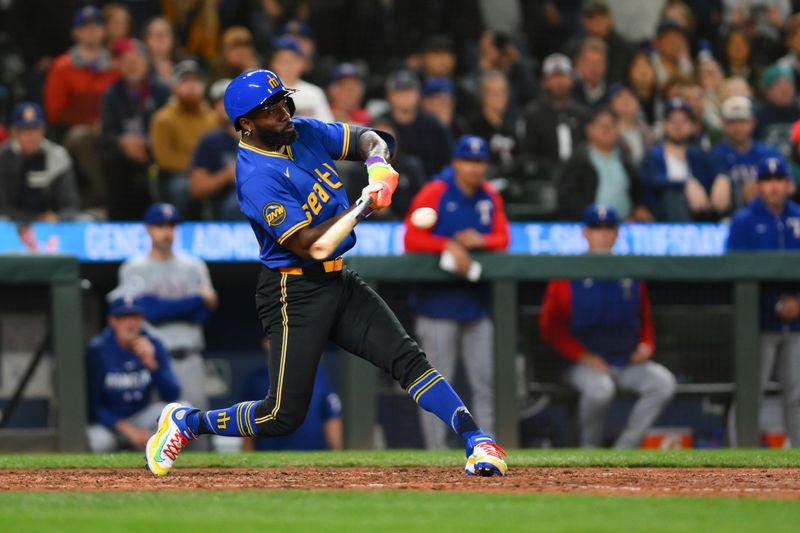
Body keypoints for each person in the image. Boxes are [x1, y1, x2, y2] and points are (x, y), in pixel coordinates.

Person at [144, 69, 507, 478]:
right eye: (270, 109)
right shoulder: (255, 176)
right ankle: (188, 423)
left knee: (407, 358)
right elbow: (311, 246)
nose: (283, 112)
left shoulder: (303, 131)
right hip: (292, 290)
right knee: (281, 416)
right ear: (246, 123)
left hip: (337, 279)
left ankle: (477, 440)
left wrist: (376, 165)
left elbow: (374, 137)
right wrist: (363, 206)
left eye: (284, 101)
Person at [404, 135, 510, 450]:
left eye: (480, 162)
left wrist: (481, 241)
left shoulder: (488, 195)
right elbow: (410, 238)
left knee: (485, 384)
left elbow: (503, 237)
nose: (474, 168)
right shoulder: (436, 190)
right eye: (468, 161)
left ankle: (486, 449)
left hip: (475, 304)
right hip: (437, 305)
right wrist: (447, 244)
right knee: (437, 384)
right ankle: (436, 453)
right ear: (456, 162)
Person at [540, 204, 677, 448]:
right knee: (601, 390)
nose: (602, 234)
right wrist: (582, 356)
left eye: (608, 228)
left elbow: (645, 319)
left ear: (616, 233)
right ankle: (589, 451)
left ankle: (625, 448)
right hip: (582, 363)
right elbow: (551, 328)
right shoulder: (567, 272)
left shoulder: (629, 271)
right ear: (585, 233)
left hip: (625, 361)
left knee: (663, 383)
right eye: (596, 228)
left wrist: (646, 344)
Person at [115, 203, 218, 424]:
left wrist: (162, 307)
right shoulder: (133, 268)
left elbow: (203, 314)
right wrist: (194, 301)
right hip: (153, 362)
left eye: (171, 226)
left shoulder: (194, 266)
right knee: (157, 430)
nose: (167, 232)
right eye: (160, 226)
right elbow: (147, 312)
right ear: (148, 229)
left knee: (198, 429)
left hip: (190, 358)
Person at [726, 156, 800, 447]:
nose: (773, 188)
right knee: (749, 393)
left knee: (797, 395)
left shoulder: (798, 217)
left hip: (796, 323)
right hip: (756, 322)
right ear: (758, 186)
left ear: (788, 184)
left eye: (778, 181)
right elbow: (733, 272)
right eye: (767, 182)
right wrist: (775, 305)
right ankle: (738, 454)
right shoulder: (744, 221)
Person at [43, 5, 120, 212]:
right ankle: (104, 199)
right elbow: (55, 111)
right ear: (75, 32)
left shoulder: (115, 66)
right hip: (72, 134)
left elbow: (120, 103)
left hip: (109, 131)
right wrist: (89, 121)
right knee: (82, 137)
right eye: (85, 26)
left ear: (104, 31)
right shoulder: (62, 66)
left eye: (96, 25)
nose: (91, 30)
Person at [86, 297, 181, 453]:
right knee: (100, 442)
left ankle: (152, 457)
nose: (130, 323)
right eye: (123, 317)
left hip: (142, 417)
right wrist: (128, 430)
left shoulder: (153, 345)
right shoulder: (98, 350)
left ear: (141, 319)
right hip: (110, 424)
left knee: (181, 412)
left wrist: (152, 363)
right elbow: (92, 407)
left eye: (134, 317)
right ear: (112, 321)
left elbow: (173, 395)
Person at [100, 38, 170, 220]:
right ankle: (116, 221)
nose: (132, 66)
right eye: (126, 62)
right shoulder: (111, 94)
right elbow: (107, 133)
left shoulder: (162, 91)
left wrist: (146, 141)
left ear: (146, 64)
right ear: (119, 66)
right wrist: (124, 142)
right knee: (111, 160)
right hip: (123, 154)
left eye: (136, 61)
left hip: (155, 149)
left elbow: (169, 127)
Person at [242, 339, 342, 452]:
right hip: (269, 455)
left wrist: (336, 450)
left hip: (311, 453)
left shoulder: (316, 373)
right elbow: (248, 420)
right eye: (275, 338)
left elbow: (330, 416)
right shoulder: (256, 378)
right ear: (265, 344)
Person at [639, 98, 731, 221]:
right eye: (672, 121)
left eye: (684, 121)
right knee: (673, 195)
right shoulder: (653, 156)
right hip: (663, 216)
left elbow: (719, 167)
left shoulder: (698, 154)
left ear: (692, 126)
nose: (678, 126)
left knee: (728, 183)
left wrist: (722, 177)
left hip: (700, 213)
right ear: (664, 125)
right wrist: (684, 184)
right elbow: (652, 182)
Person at [558, 107, 652, 222]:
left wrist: (638, 208)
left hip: (624, 223)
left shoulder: (625, 159)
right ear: (589, 129)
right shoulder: (578, 160)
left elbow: (637, 194)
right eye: (601, 125)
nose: (607, 129)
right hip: (590, 226)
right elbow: (567, 199)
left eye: (612, 125)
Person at [149, 59, 217, 217]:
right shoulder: (163, 118)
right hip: (177, 174)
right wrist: (198, 169)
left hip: (210, 174)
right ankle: (178, 229)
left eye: (196, 81)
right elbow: (164, 158)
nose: (192, 86)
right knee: (183, 187)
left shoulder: (212, 117)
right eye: (185, 81)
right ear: (174, 87)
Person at [0, 103, 80, 222]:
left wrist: (58, 217)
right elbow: (2, 206)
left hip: (51, 225)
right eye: (24, 129)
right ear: (14, 132)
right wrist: (36, 219)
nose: (30, 135)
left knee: (83, 219)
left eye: (34, 128)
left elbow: (70, 204)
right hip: (12, 224)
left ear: (43, 130)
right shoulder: (3, 158)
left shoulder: (57, 157)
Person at [518, 53, 589, 182]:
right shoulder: (532, 114)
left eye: (563, 76)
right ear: (544, 81)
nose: (559, 82)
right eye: (554, 77)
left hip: (579, 179)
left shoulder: (582, 114)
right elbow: (527, 154)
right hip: (544, 179)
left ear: (571, 79)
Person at [376, 70, 452, 178]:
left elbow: (447, 162)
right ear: (389, 95)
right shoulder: (380, 125)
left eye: (409, 90)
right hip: (387, 184)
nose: (405, 96)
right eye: (399, 91)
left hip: (430, 185)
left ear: (418, 94)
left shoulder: (433, 126)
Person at [712, 96, 783, 209]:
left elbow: (790, 186)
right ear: (723, 125)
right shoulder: (715, 155)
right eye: (731, 122)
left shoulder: (768, 153)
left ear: (753, 123)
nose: (737, 127)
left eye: (742, 121)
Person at [189, 79, 241, 220]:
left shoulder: (260, 135)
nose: (226, 106)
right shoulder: (210, 141)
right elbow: (197, 188)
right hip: (227, 203)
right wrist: (227, 174)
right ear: (213, 108)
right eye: (221, 102)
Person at [269, 36, 334, 122]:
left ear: (302, 63)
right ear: (273, 63)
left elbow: (327, 126)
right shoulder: (267, 92)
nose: (289, 65)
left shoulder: (315, 92)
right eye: (283, 60)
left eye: (293, 60)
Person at [755, 64, 800, 160]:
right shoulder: (758, 115)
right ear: (767, 90)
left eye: (789, 83)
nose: (785, 89)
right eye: (778, 84)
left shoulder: (798, 112)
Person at [571, 37, 609, 109]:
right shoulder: (566, 88)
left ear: (605, 66)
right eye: (588, 62)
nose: (594, 67)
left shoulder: (611, 94)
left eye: (599, 62)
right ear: (577, 63)